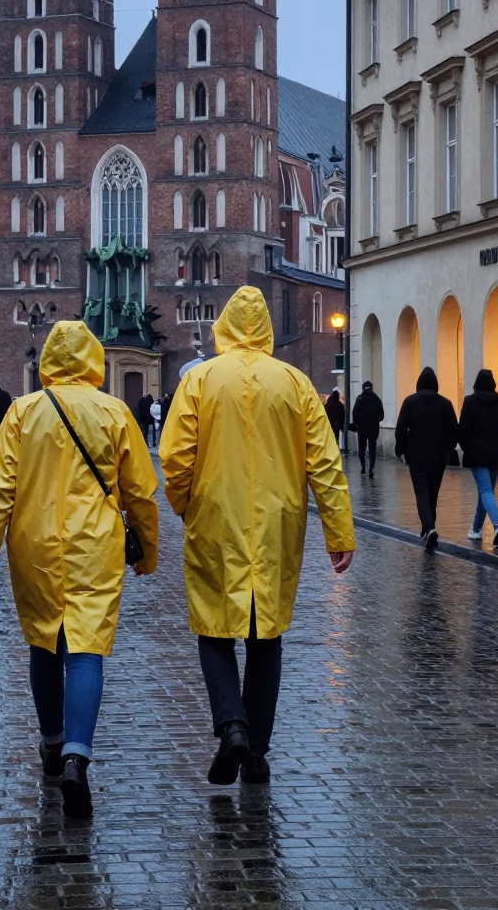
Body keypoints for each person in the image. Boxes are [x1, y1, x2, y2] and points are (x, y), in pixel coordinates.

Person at [160, 286, 355, 787]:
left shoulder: (200, 379)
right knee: (266, 636)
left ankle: (232, 727)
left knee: (213, 628)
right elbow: (325, 463)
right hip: (276, 521)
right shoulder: (294, 382)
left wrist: (185, 503)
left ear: (225, 325)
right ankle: (258, 753)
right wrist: (339, 529)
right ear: (266, 329)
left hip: (215, 517)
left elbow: (175, 456)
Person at [0, 320, 159, 819]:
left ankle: (51, 744)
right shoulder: (114, 412)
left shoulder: (23, 413)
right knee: (86, 648)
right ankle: (78, 752)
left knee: (43, 641)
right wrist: (148, 551)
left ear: (49, 360)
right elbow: (140, 491)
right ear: (94, 360)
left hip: (34, 542)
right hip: (95, 544)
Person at [394, 367, 459, 551]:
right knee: (433, 492)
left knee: (421, 492)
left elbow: (400, 430)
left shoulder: (410, 402)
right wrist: (450, 446)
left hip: (416, 455)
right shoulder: (445, 403)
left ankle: (429, 528)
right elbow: (454, 428)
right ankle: (429, 527)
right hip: (438, 455)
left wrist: (400, 450)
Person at [459, 369, 498, 548]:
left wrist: (466, 448)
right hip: (496, 454)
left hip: (477, 454)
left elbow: (463, 429)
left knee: (485, 491)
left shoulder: (470, 402)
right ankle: (476, 530)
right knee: (486, 491)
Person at [351, 381, 385, 478]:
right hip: (373, 428)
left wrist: (356, 423)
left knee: (362, 448)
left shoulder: (359, 400)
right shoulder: (376, 400)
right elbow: (381, 416)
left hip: (361, 428)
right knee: (372, 449)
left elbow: (354, 414)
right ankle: (371, 468)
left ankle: (363, 467)